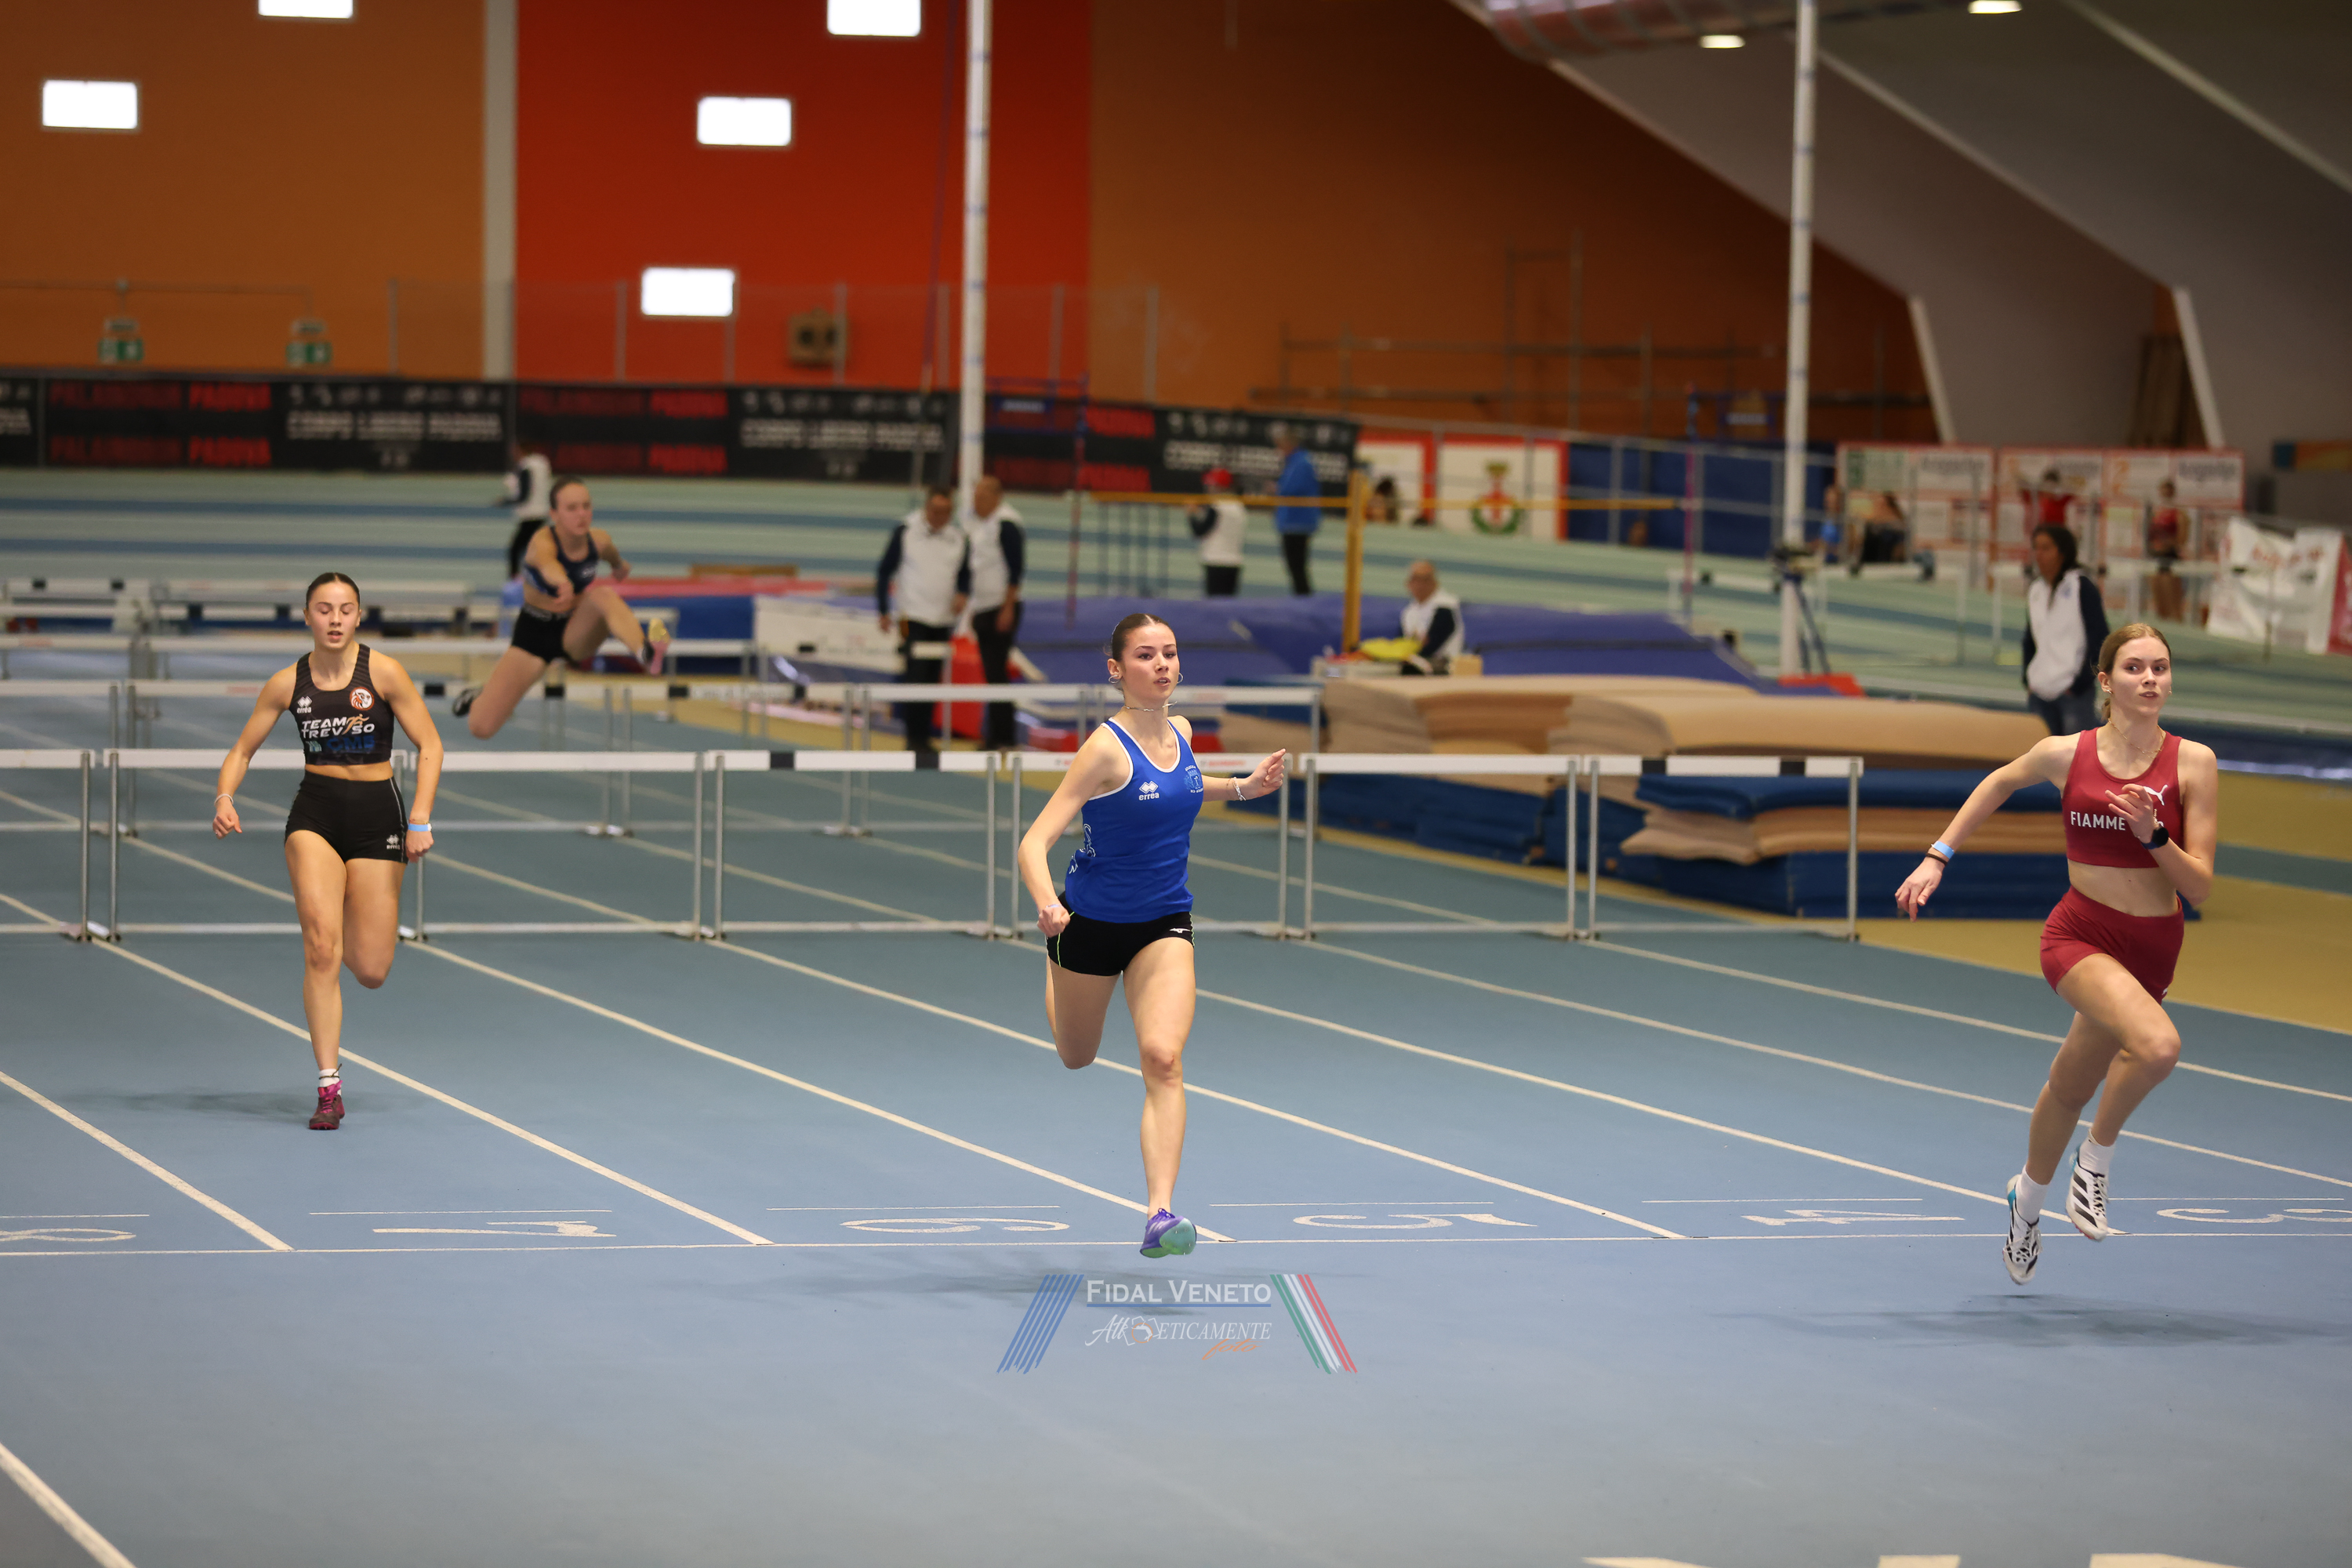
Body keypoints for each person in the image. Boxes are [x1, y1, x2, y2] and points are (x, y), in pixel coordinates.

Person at [1896, 625, 2214, 1286]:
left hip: (2154, 947)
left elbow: (2200, 887)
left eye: (2160, 667)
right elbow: (1997, 783)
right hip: (2080, 935)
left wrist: (2154, 836)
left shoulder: (2194, 763)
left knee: (2071, 1084)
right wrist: (1937, 856)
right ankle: (2093, 1161)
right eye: (2134, 668)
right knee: (2157, 1047)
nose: (2150, 679)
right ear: (2106, 681)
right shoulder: (2066, 753)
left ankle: (2027, 1202)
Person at [1017, 613, 1287, 1258]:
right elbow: (1033, 841)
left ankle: (1159, 1214)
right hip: (1088, 924)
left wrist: (1243, 787)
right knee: (1076, 1056)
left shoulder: (1182, 732)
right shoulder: (1103, 750)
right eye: (1145, 655)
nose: (1162, 664)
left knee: (1163, 1058)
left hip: (1163, 921)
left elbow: (1181, 789)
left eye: (1169, 652)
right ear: (1117, 670)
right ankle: (1056, 964)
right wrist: (1048, 905)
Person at [212, 573, 444, 1131]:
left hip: (377, 818)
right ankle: (328, 1087)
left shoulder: (384, 672)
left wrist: (419, 819)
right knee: (321, 949)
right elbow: (242, 750)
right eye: (324, 609)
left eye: (345, 609)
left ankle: (344, 904)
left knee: (371, 969)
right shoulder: (286, 683)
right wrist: (224, 796)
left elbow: (431, 744)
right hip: (314, 816)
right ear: (307, 616)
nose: (335, 619)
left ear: (359, 616)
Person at [451, 477, 669, 736]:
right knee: (481, 728)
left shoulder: (598, 541)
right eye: (572, 508)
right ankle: (480, 695)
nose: (581, 514)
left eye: (586, 506)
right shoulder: (542, 542)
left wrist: (619, 566)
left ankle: (646, 653)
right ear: (554, 514)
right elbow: (548, 564)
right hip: (534, 635)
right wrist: (562, 582)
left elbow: (610, 553)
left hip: (574, 629)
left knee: (603, 596)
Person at [877, 483, 970, 756]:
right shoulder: (905, 531)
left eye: (946, 512)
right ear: (926, 507)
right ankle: (912, 737)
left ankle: (924, 738)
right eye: (935, 511)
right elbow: (884, 571)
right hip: (910, 618)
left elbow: (965, 574)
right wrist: (883, 610)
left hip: (942, 620)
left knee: (932, 679)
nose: (940, 517)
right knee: (914, 675)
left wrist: (963, 593)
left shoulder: (959, 538)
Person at [2023, 522, 2109, 735]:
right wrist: (2028, 679)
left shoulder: (2081, 586)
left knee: (2076, 754)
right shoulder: (2036, 590)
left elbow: (2100, 638)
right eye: (2036, 548)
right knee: (2042, 754)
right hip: (2040, 692)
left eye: (2046, 548)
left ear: (2062, 552)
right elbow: (2030, 640)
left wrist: (2081, 683)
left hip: (2072, 693)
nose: (2039, 555)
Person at [963, 475, 1026, 750]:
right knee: (991, 674)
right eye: (975, 496)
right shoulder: (982, 526)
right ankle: (996, 734)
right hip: (984, 606)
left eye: (981, 496)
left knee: (997, 673)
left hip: (1000, 608)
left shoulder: (1006, 524)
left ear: (996, 497)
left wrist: (1008, 607)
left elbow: (1016, 568)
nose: (976, 501)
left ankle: (1004, 737)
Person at [1272, 424, 1319, 596]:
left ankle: (1304, 599)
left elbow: (1291, 489)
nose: (1279, 450)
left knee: (1297, 566)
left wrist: (1276, 489)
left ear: (1288, 444)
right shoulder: (1296, 462)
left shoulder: (1300, 463)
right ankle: (1302, 598)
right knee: (1296, 566)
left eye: (1280, 445)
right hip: (1294, 521)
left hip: (1297, 523)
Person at [1188, 466, 1247, 597]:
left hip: (1215, 561)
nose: (1208, 489)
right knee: (1228, 603)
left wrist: (1191, 515)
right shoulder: (1239, 507)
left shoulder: (1217, 506)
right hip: (1234, 562)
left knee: (1214, 604)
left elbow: (1200, 531)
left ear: (1219, 487)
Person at [1399, 560, 1465, 675]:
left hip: (1444, 670)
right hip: (1418, 667)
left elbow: (1432, 646)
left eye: (1425, 580)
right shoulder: (1409, 612)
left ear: (1434, 583)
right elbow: (1401, 643)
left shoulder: (1446, 606)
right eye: (1416, 579)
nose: (1420, 585)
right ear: (1408, 583)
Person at [501, 444, 554, 582]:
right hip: (542, 513)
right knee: (534, 550)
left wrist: (505, 501)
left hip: (531, 515)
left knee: (516, 550)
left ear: (521, 450)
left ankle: (514, 580)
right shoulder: (541, 464)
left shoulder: (526, 467)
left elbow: (523, 496)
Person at [2146, 478, 2186, 622]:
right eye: (2163, 490)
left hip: (2170, 559)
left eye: (2168, 491)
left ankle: (2178, 629)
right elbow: (2149, 536)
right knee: (2159, 606)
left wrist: (2168, 543)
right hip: (2155, 558)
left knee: (2173, 605)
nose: (2165, 494)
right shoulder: (2155, 514)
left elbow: (2182, 539)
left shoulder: (2178, 514)